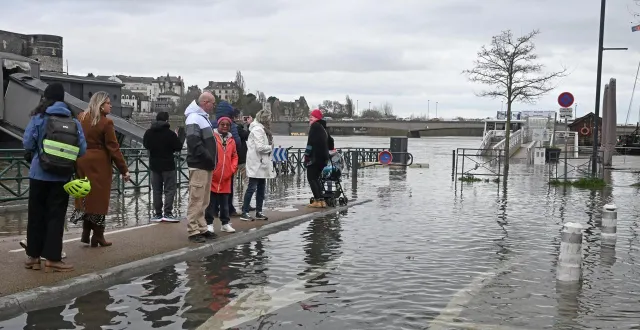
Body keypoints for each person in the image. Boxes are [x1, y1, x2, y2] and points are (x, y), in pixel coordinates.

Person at [23, 83, 87, 272]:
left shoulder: (39, 117)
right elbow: (82, 150)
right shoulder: (74, 121)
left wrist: (38, 153)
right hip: (61, 176)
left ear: (46, 97)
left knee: (35, 215)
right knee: (56, 217)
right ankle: (52, 258)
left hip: (38, 174)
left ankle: (33, 257)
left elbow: (27, 141)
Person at [75, 92, 130, 248]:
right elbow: (113, 148)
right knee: (99, 200)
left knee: (85, 197)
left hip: (81, 160)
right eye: (107, 103)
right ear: (100, 105)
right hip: (98, 163)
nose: (110, 105)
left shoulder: (81, 117)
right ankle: (98, 235)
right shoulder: (106, 123)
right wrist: (124, 170)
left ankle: (86, 233)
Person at [184, 92, 218, 243]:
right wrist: (208, 157)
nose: (214, 106)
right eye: (213, 103)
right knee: (196, 198)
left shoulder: (202, 118)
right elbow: (193, 141)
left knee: (204, 199)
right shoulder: (194, 118)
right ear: (205, 102)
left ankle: (201, 227)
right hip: (199, 164)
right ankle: (193, 230)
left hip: (205, 164)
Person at [143, 111, 184, 222]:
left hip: (154, 165)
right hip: (168, 165)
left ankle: (158, 214)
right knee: (169, 190)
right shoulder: (170, 134)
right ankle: (168, 213)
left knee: (156, 190)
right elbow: (178, 147)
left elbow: (146, 144)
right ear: (167, 120)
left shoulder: (149, 132)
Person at [205, 116, 238, 234]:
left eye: (227, 125)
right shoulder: (212, 138)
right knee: (210, 203)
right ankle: (209, 224)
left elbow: (234, 156)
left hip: (226, 177)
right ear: (218, 125)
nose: (225, 126)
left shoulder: (232, 140)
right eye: (222, 124)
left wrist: (232, 168)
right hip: (214, 175)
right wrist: (211, 168)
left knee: (225, 203)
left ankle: (225, 223)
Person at [240, 110, 274, 221]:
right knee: (252, 188)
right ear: (265, 119)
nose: (270, 121)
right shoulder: (258, 130)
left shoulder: (261, 129)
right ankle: (245, 212)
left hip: (260, 163)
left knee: (260, 188)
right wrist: (270, 147)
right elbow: (260, 147)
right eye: (269, 119)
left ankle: (259, 211)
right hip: (257, 163)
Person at [304, 109, 330, 208]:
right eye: (310, 116)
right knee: (316, 178)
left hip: (315, 157)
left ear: (317, 118)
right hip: (323, 158)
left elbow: (310, 143)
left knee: (311, 178)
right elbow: (330, 141)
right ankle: (321, 200)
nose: (310, 118)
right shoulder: (323, 128)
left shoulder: (314, 127)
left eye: (313, 116)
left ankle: (317, 201)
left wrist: (307, 156)